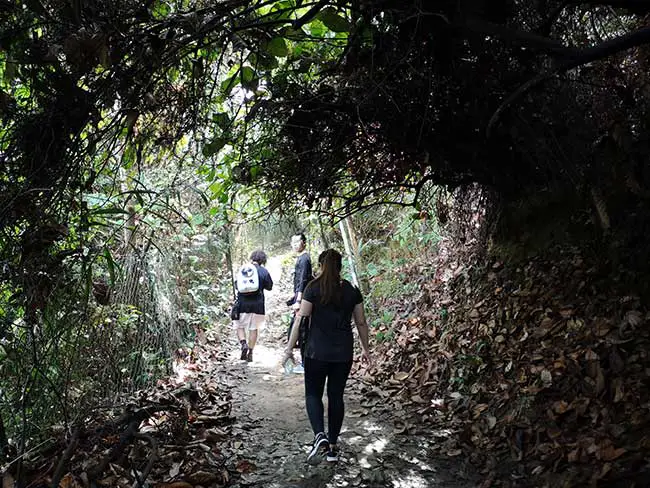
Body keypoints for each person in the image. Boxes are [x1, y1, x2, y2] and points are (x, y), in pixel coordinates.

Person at [283, 249, 372, 465]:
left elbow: (300, 320)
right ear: (340, 266)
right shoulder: (352, 290)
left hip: (315, 352)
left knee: (313, 394)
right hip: (342, 354)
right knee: (336, 396)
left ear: (321, 266)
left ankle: (319, 436)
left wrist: (288, 349)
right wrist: (366, 349)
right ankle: (332, 447)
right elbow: (361, 322)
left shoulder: (313, 288)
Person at [233, 250, 273, 362]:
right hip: (258, 305)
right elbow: (270, 286)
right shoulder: (264, 271)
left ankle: (243, 344)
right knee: (253, 328)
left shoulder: (244, 269)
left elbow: (237, 285)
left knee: (239, 326)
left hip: (243, 303)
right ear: (263, 260)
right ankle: (250, 352)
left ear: (252, 258)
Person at [287, 233, 312, 374]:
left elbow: (303, 280)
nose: (295, 244)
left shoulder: (304, 259)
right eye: (293, 242)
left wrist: (298, 300)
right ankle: (303, 362)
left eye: (297, 241)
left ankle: (304, 363)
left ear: (304, 242)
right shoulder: (302, 258)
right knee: (301, 329)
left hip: (303, 300)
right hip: (301, 298)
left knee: (302, 330)